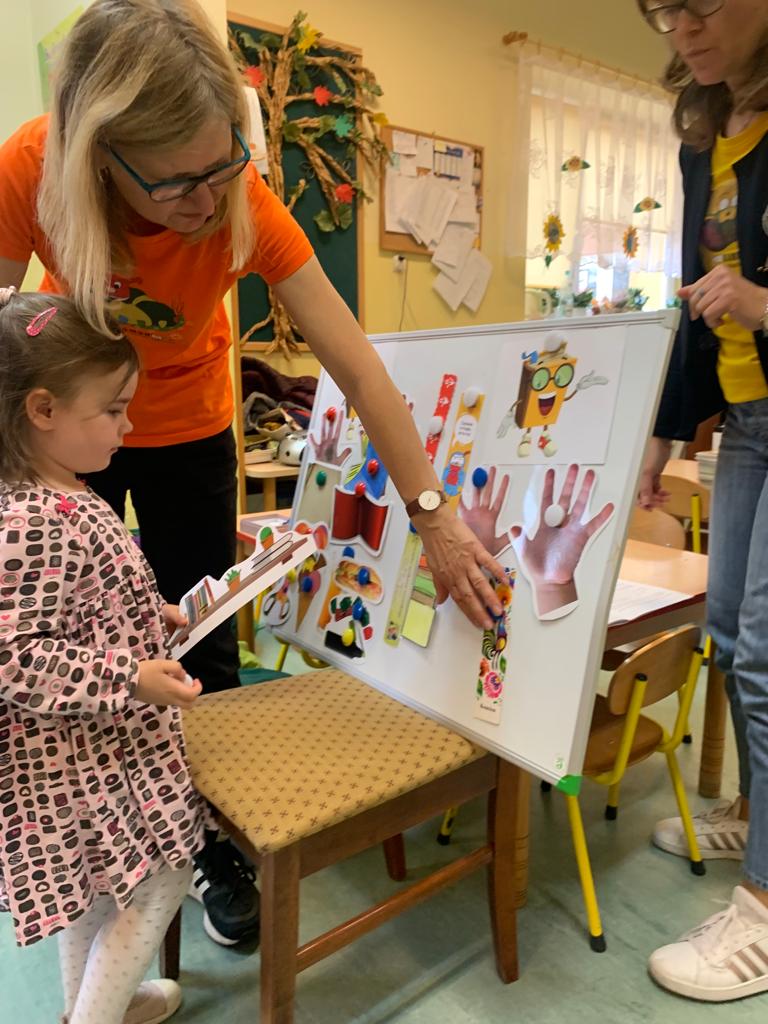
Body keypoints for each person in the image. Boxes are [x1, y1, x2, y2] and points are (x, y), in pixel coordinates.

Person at [0, 0, 505, 946]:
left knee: (203, 640)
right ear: (102, 157)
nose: (207, 202)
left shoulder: (244, 201)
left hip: (194, 424)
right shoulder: (30, 165)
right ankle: (105, 849)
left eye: (225, 163)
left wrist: (435, 515)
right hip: (71, 436)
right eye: (177, 183)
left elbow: (359, 370)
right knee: (88, 650)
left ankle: (211, 847)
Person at [0, 289, 209, 1024]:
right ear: (43, 410)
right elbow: (14, 657)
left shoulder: (62, 493)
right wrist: (130, 676)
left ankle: (86, 1009)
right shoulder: (32, 517)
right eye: (114, 410)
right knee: (164, 873)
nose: (129, 426)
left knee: (96, 889)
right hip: (82, 760)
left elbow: (78, 602)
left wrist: (150, 613)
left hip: (98, 748)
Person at [636, 0, 768, 1003]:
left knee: (766, 653)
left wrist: (762, 302)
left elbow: (739, 298)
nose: (683, 27)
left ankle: (763, 907)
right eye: (663, 10)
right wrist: (661, 441)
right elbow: (693, 311)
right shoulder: (704, 143)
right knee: (726, 633)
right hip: (748, 424)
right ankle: (756, 819)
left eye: (702, 2)